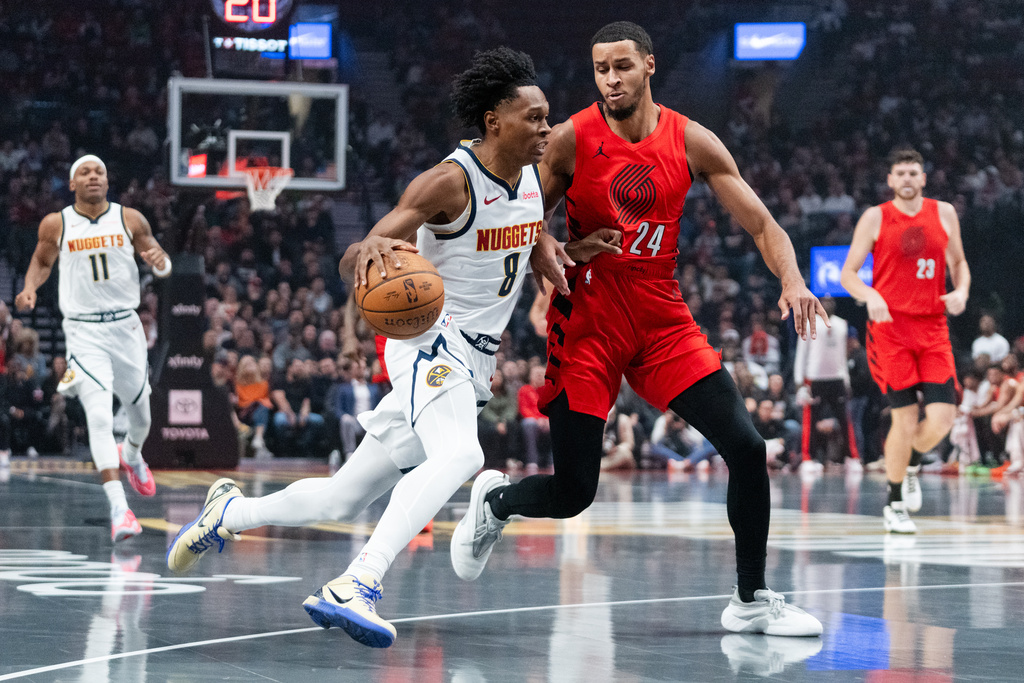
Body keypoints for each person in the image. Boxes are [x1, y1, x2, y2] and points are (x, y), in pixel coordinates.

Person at [166, 47, 554, 648]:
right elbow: (365, 248)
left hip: (475, 353)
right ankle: (358, 583)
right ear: (494, 121)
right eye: (534, 117)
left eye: (548, 116)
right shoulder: (449, 181)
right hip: (430, 335)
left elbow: (531, 236)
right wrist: (363, 256)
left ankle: (228, 514)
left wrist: (564, 257)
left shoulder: (531, 174)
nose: (546, 127)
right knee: (461, 457)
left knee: (343, 496)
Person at [451, 22, 825, 637]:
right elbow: (520, 217)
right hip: (589, 320)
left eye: (622, 66)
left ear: (650, 65)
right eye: (600, 69)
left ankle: (751, 600)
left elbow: (763, 225)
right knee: (575, 493)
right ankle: (496, 503)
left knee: (748, 448)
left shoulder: (693, 141)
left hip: (660, 320)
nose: (610, 79)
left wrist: (794, 281)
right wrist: (556, 245)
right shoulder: (570, 138)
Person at [15, 154, 168, 541]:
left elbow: (161, 261)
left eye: (99, 170)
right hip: (83, 333)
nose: (93, 176)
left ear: (106, 179)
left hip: (126, 327)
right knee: (98, 417)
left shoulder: (130, 218)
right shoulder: (57, 223)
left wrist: (160, 262)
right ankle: (120, 509)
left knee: (142, 418)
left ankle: (131, 454)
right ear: (72, 184)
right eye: (85, 172)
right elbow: (41, 261)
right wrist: (31, 287)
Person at [840, 148, 970, 533]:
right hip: (890, 331)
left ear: (924, 178)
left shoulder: (943, 213)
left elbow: (958, 263)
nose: (908, 178)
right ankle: (894, 502)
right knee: (905, 415)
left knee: (944, 418)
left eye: (914, 172)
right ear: (891, 180)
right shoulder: (875, 217)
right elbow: (848, 274)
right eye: (901, 173)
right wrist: (871, 295)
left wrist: (961, 290)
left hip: (933, 327)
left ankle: (910, 457)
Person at [793, 298, 860, 472]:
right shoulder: (808, 324)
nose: (828, 304)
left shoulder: (842, 325)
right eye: (824, 302)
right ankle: (808, 459)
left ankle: (852, 458)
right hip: (814, 378)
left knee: (845, 421)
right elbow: (801, 354)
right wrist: (800, 383)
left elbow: (842, 356)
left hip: (837, 378)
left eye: (831, 302)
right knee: (810, 421)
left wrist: (846, 380)